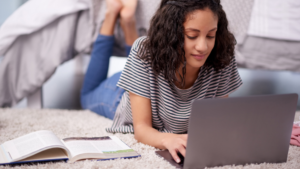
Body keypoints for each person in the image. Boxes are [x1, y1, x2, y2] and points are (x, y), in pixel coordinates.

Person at [81, 0, 243, 164]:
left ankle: (128, 22)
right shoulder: (145, 50)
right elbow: (141, 130)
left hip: (145, 73)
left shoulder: (221, 54)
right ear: (171, 33)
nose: (203, 47)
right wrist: (167, 139)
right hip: (119, 96)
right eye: (192, 36)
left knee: (143, 53)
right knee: (86, 96)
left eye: (210, 35)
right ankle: (112, 14)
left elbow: (217, 123)